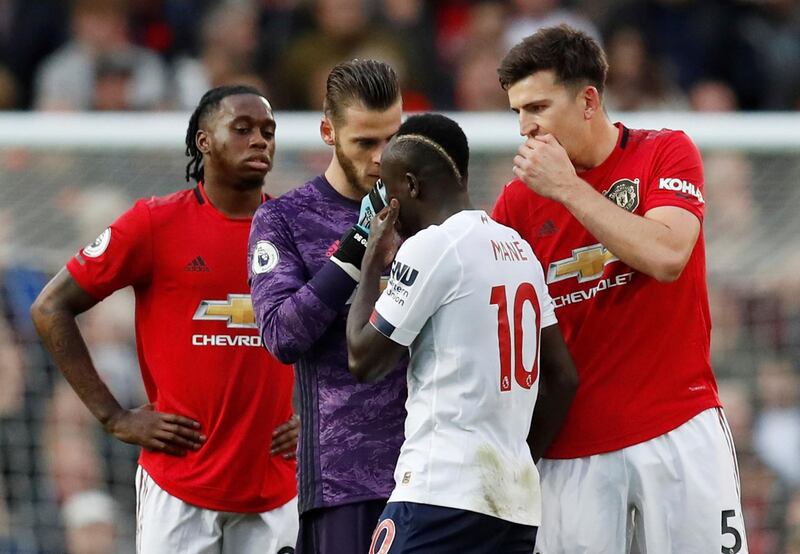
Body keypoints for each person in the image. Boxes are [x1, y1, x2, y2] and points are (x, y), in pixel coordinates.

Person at [492, 25, 748, 553]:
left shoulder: (665, 153)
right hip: (571, 455)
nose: (526, 128)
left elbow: (667, 255)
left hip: (679, 432)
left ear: (588, 100)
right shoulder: (516, 205)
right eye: (517, 112)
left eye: (537, 107)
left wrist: (568, 189)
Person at [31, 85, 299, 553]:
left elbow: (341, 330)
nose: (260, 140)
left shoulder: (296, 231)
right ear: (204, 141)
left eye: (268, 131)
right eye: (242, 129)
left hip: (274, 486)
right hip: (179, 486)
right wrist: (113, 417)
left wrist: (314, 416)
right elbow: (50, 307)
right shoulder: (155, 225)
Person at [345, 113, 578, 553]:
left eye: (390, 191)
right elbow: (563, 378)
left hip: (438, 495)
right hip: (515, 508)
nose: (388, 209)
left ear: (411, 186)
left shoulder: (432, 246)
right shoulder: (519, 251)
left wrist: (373, 259)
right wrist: (519, 460)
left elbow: (363, 358)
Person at [248, 59, 406, 554]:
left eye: (392, 139)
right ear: (328, 132)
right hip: (345, 479)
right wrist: (358, 246)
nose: (382, 158)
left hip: (435, 475)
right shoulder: (284, 220)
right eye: (365, 142)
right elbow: (281, 336)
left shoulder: (427, 213)